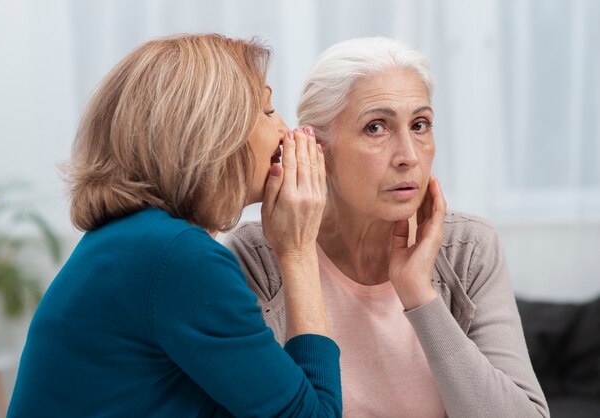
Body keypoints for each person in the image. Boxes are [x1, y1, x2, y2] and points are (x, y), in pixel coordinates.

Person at [8, 34, 341, 417]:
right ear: (211, 131)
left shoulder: (132, 244)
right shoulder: (176, 257)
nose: (286, 130)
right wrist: (297, 250)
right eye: (267, 112)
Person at [225, 37, 550, 418]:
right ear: (317, 149)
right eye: (376, 127)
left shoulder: (469, 246)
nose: (409, 156)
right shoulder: (257, 255)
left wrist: (419, 296)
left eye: (420, 125)